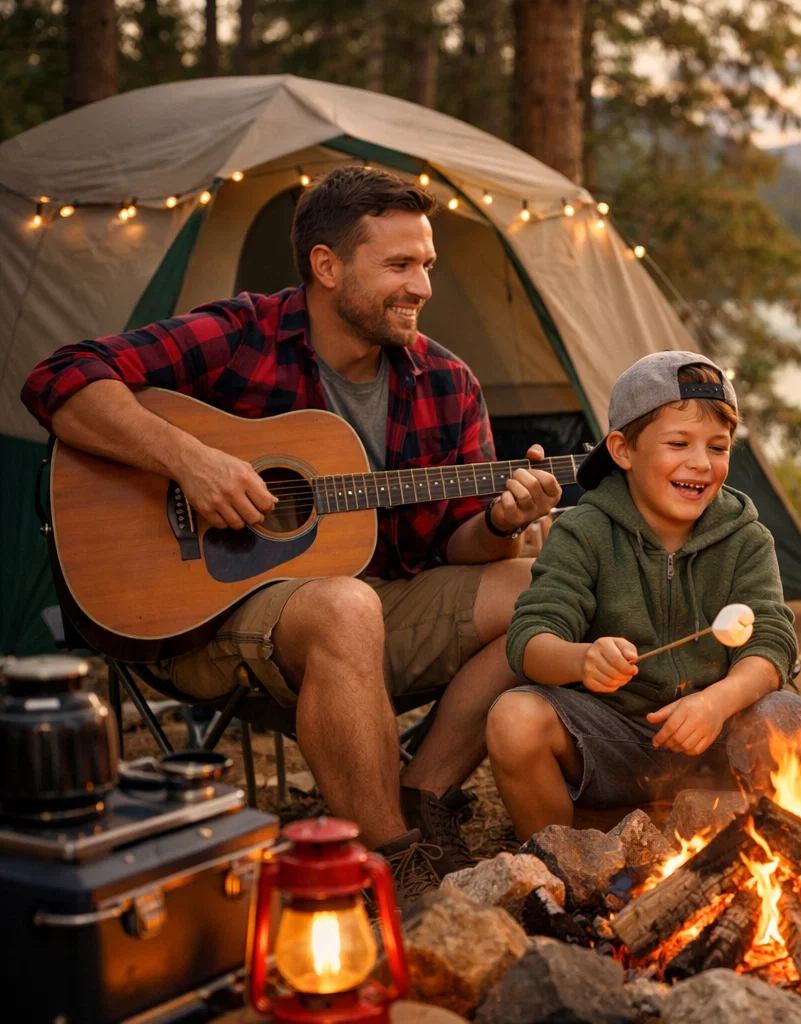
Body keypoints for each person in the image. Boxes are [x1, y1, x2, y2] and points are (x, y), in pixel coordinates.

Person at [20, 167, 562, 897]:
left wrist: (500, 522)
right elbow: (59, 378)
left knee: (535, 590)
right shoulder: (244, 335)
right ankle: (391, 867)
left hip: (368, 610)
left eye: (427, 265)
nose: (422, 287)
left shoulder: (447, 382)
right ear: (327, 266)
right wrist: (192, 462)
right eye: (399, 265)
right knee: (345, 604)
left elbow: (455, 546)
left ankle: (421, 796)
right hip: (203, 617)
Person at [486, 351, 801, 837]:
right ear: (623, 450)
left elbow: (772, 642)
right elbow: (530, 639)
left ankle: (758, 846)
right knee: (515, 717)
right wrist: (582, 660)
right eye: (678, 443)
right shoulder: (583, 532)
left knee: (787, 716)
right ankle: (565, 861)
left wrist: (717, 702)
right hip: (615, 743)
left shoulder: (746, 537)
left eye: (719, 447)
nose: (700, 463)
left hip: (716, 740)